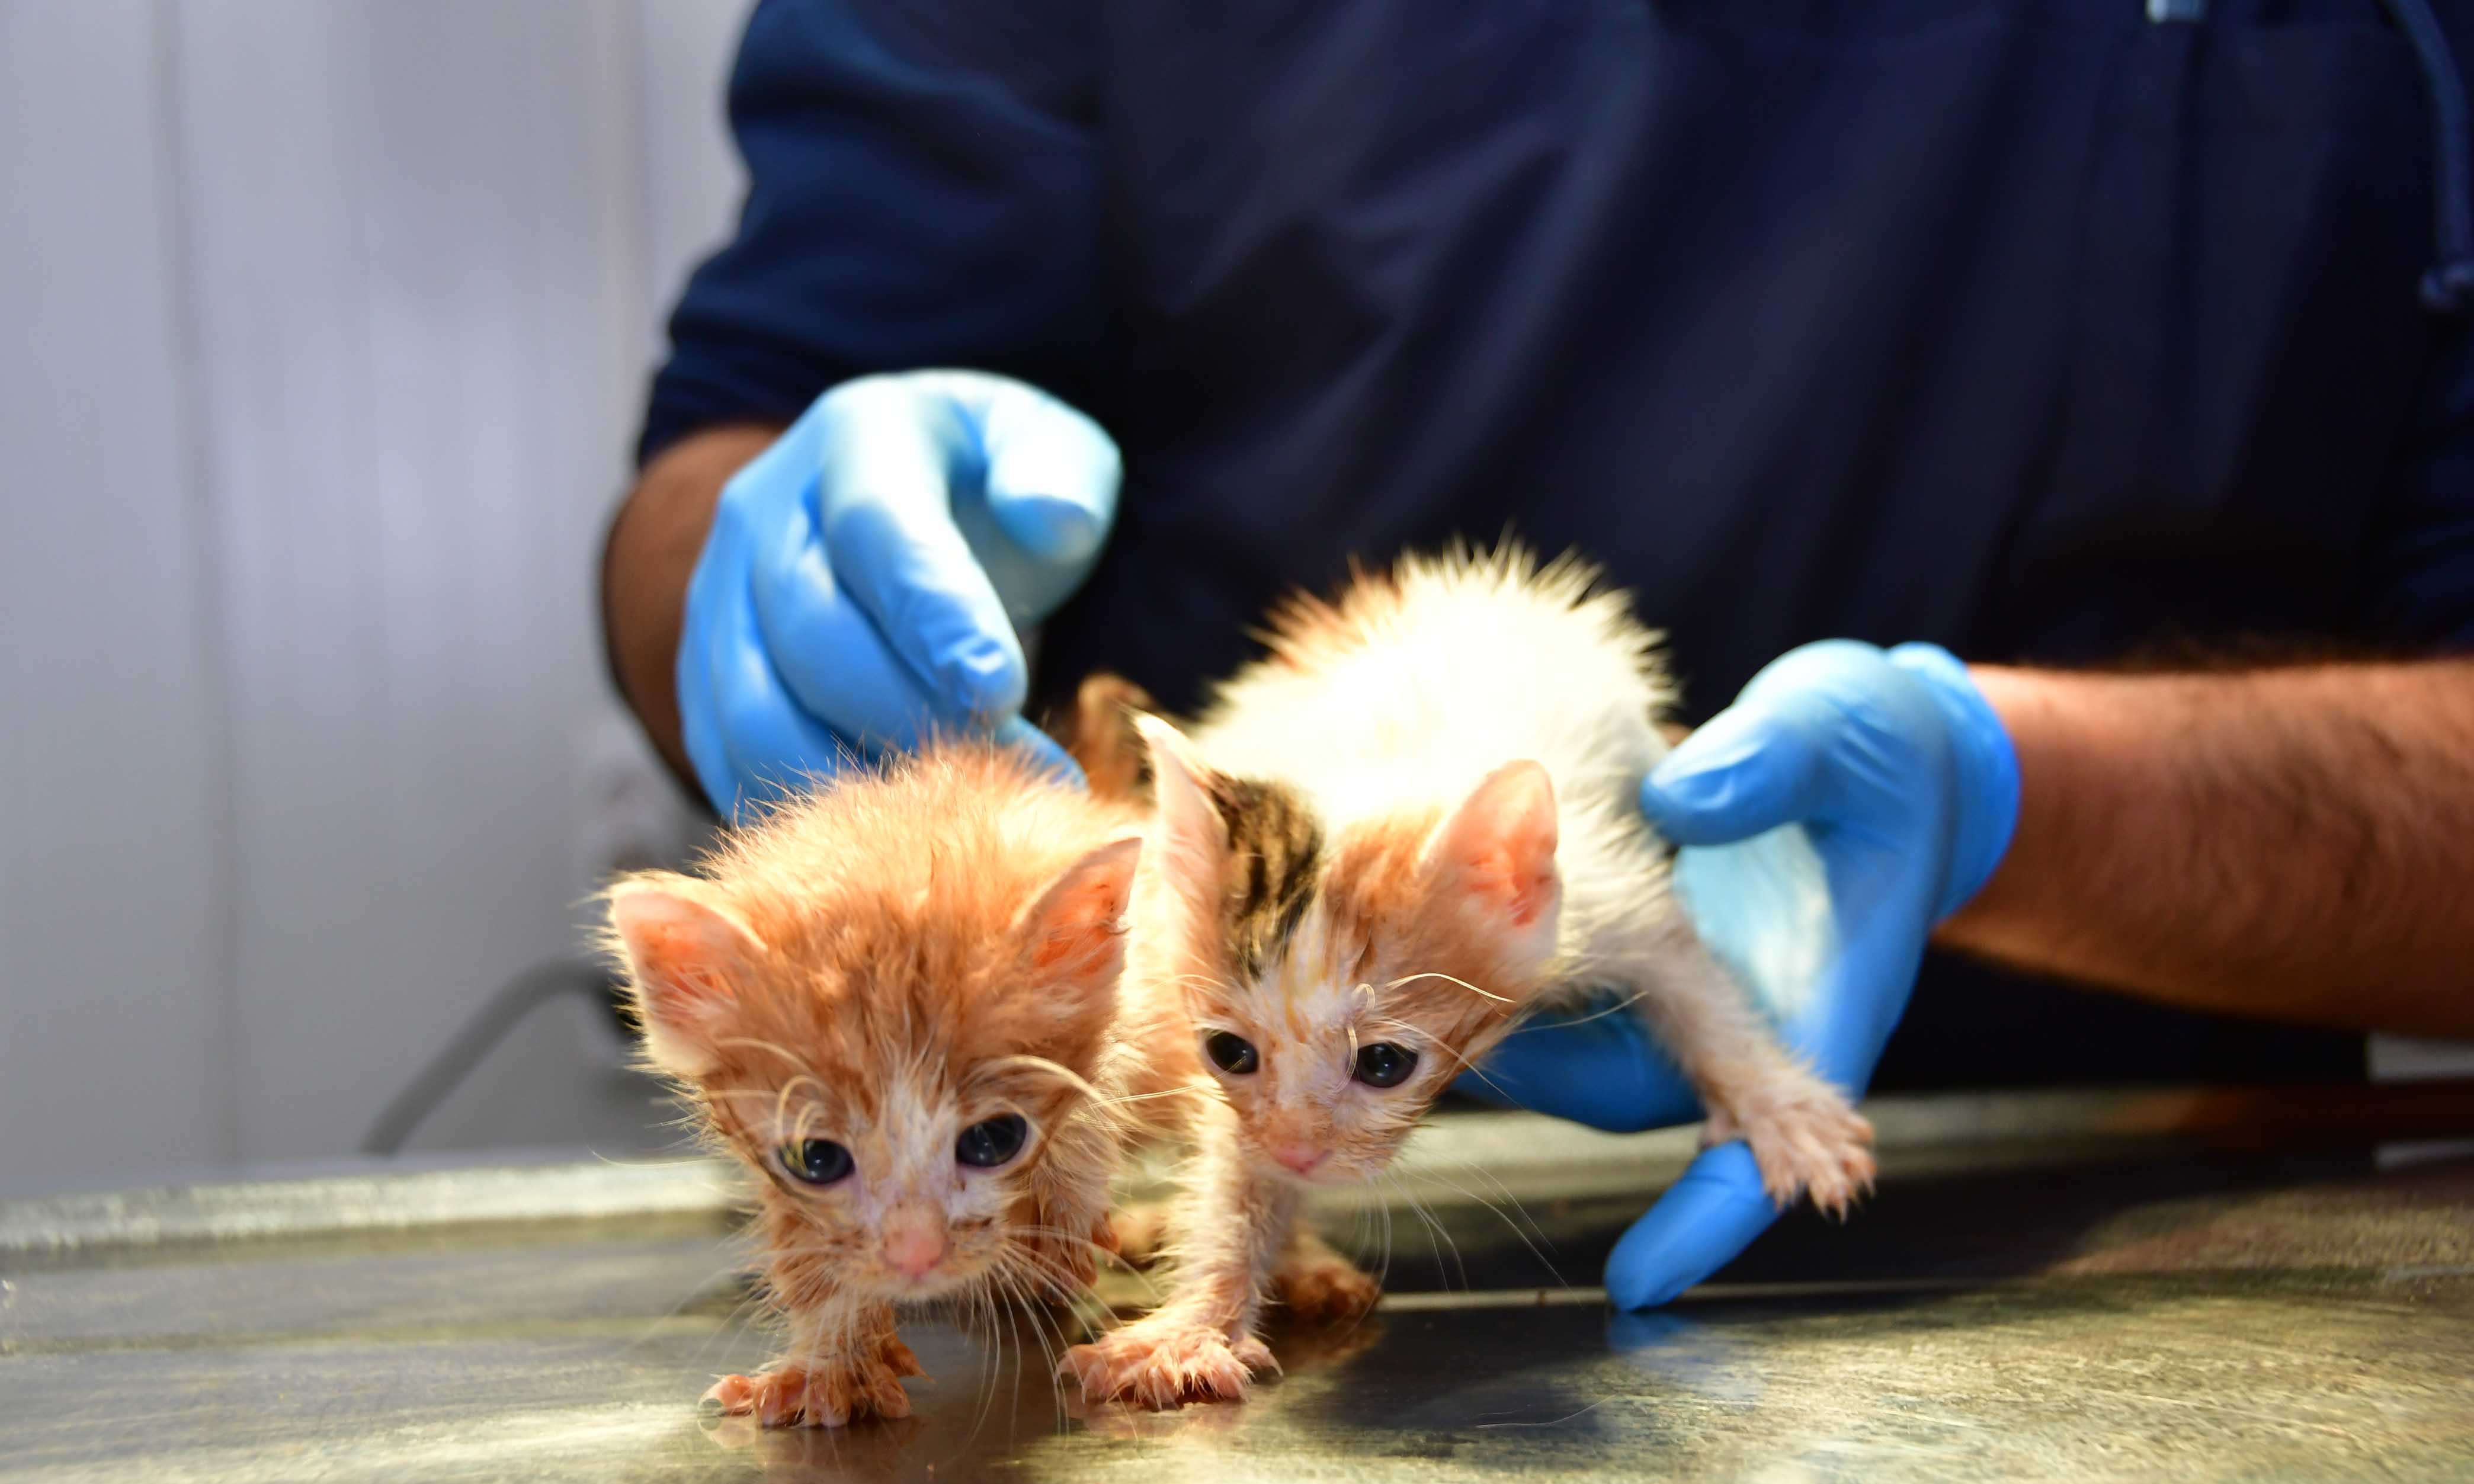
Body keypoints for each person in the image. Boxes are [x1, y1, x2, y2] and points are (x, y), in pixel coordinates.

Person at [604, 0, 2474, 1309]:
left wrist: (2015, 802)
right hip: (1137, 1076)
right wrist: (760, 579)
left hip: (2121, 1199)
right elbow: (721, 435)